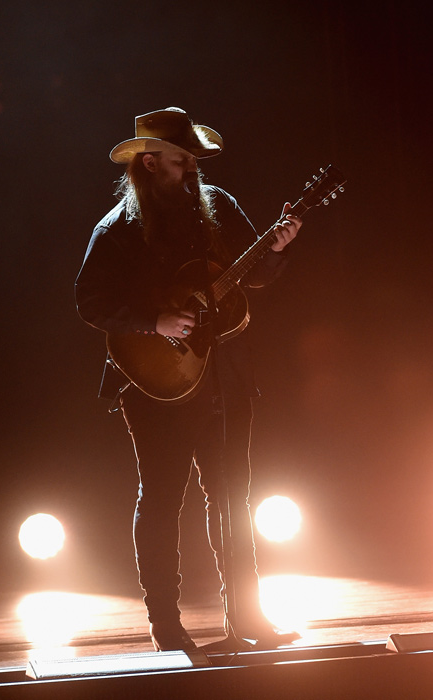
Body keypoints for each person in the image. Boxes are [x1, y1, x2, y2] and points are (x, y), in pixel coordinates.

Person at [75, 107, 302, 652]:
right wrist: (153, 320)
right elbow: (90, 301)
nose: (193, 167)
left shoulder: (217, 206)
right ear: (151, 163)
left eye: (195, 158)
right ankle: (166, 628)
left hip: (225, 372)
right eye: (182, 159)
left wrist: (276, 250)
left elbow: (255, 277)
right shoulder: (118, 229)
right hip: (157, 384)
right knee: (161, 499)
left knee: (233, 498)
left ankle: (248, 618)